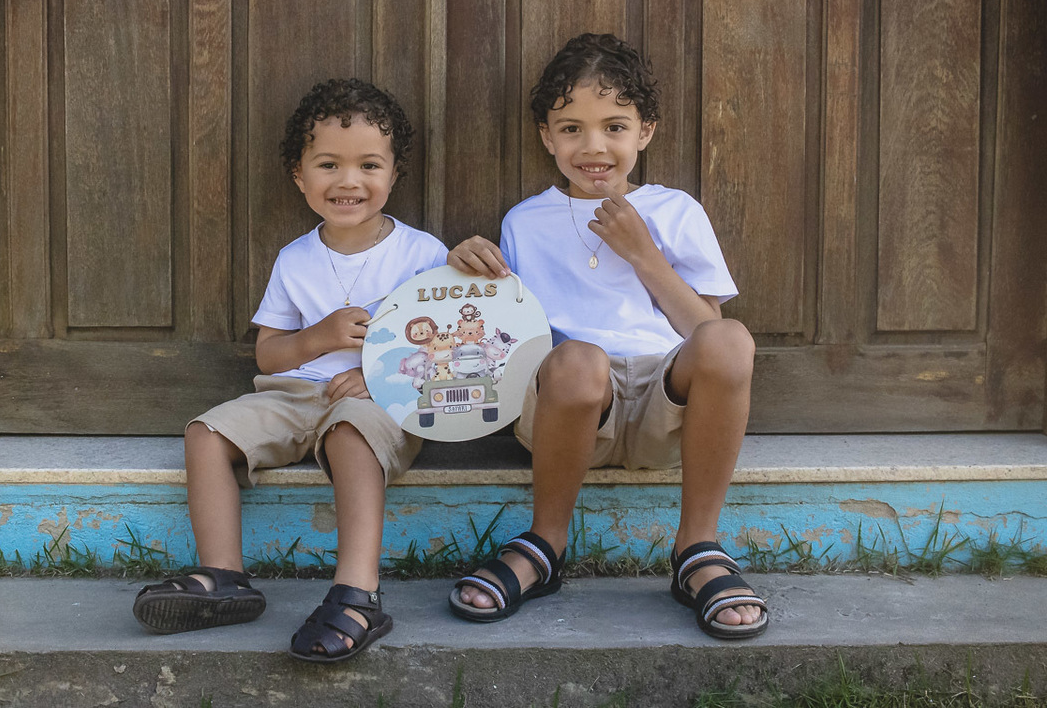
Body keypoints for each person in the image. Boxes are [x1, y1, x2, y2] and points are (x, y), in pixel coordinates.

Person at [445, 33, 767, 639]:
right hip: (571, 409)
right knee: (578, 359)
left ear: (645, 131)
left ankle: (697, 547)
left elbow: (706, 332)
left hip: (662, 408)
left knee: (732, 341)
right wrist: (467, 271)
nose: (593, 147)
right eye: (571, 129)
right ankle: (546, 543)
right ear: (547, 136)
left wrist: (646, 256)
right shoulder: (526, 221)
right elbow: (512, 333)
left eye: (614, 126)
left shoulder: (675, 210)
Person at [132, 79, 448, 661]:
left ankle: (358, 594)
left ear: (394, 174)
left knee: (351, 431)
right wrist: (317, 337)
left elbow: (443, 347)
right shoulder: (296, 258)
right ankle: (224, 577)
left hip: (379, 399)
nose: (348, 181)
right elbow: (269, 354)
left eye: (368, 165)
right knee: (206, 433)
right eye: (328, 164)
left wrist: (380, 377)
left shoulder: (423, 255)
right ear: (301, 177)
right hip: (295, 392)